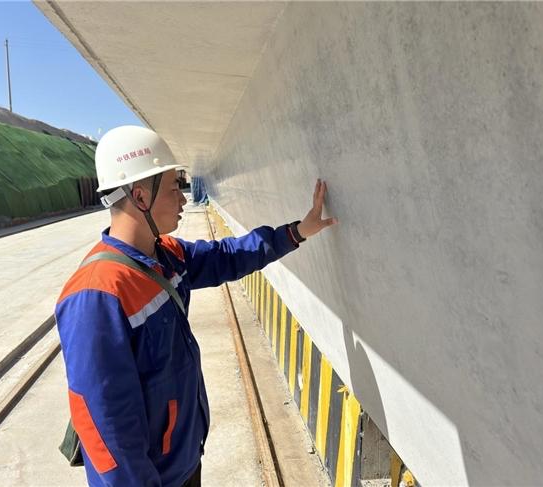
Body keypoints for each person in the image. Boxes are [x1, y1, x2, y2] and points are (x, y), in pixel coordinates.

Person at [55, 125, 336, 487]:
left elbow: (227, 257)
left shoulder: (164, 256)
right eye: (174, 188)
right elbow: (105, 429)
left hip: (184, 461)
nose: (184, 199)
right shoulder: (97, 296)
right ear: (140, 197)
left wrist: (295, 232)